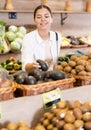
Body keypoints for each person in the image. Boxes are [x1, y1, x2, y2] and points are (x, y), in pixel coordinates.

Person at [21, 4, 62, 72]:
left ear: (51, 19)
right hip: (36, 78)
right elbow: (25, 66)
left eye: (46, 16)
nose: (43, 19)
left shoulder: (57, 36)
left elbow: (55, 62)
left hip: (53, 78)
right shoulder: (28, 38)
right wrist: (32, 66)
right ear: (34, 20)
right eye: (39, 17)